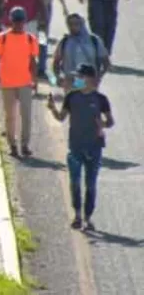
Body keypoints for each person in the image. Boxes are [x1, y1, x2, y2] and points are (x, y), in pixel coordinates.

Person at [46, 64, 113, 231]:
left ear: (90, 79)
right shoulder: (71, 97)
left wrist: (102, 124)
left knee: (90, 184)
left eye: (80, 77)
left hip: (94, 149)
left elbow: (110, 122)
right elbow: (61, 118)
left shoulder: (101, 99)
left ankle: (88, 217)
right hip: (75, 147)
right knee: (75, 182)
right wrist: (53, 108)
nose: (77, 80)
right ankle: (77, 215)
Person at [0, 7, 39, 157]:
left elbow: (33, 61)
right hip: (7, 82)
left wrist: (35, 80)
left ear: (25, 21)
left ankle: (25, 145)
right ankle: (12, 144)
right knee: (10, 116)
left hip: (24, 81)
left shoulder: (30, 39)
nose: (18, 24)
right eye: (16, 21)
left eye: (21, 21)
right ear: (11, 21)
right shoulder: (2, 37)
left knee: (26, 115)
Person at [52, 14, 109, 92]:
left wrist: (98, 77)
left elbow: (106, 62)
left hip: (89, 83)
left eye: (76, 24)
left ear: (81, 24)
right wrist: (57, 77)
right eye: (70, 24)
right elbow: (56, 61)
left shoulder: (94, 41)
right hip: (70, 82)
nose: (73, 27)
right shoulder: (64, 42)